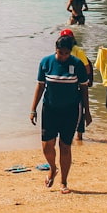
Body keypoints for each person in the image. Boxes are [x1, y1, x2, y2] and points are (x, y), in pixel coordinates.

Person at [31, 32, 89, 193]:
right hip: (50, 109)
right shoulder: (46, 62)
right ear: (55, 50)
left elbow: (84, 89)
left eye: (66, 53)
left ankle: (63, 181)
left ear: (70, 52)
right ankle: (52, 168)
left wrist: (87, 112)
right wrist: (33, 108)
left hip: (70, 111)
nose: (63, 56)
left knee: (65, 146)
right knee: (46, 145)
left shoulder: (77, 64)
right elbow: (40, 86)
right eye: (60, 53)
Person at [60, 28, 93, 141]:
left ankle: (79, 135)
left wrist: (79, 78)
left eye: (68, 39)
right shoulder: (61, 50)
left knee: (79, 109)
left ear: (73, 39)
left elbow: (87, 68)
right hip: (64, 85)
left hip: (76, 84)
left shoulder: (78, 51)